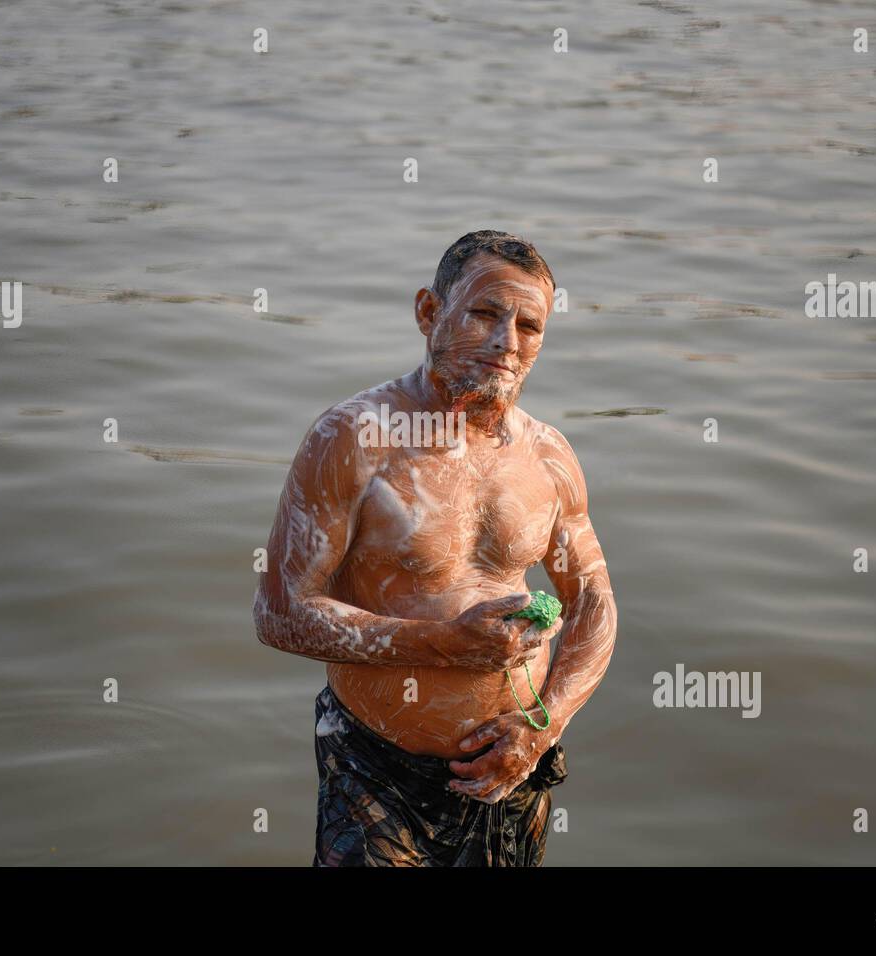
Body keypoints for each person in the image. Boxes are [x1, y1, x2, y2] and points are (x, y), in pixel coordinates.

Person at [253, 230, 618, 866]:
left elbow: (593, 604)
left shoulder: (548, 456)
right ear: (429, 312)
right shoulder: (354, 438)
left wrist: (544, 724)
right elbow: (281, 611)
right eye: (485, 314)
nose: (507, 341)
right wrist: (441, 642)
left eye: (528, 326)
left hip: (513, 770)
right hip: (376, 774)